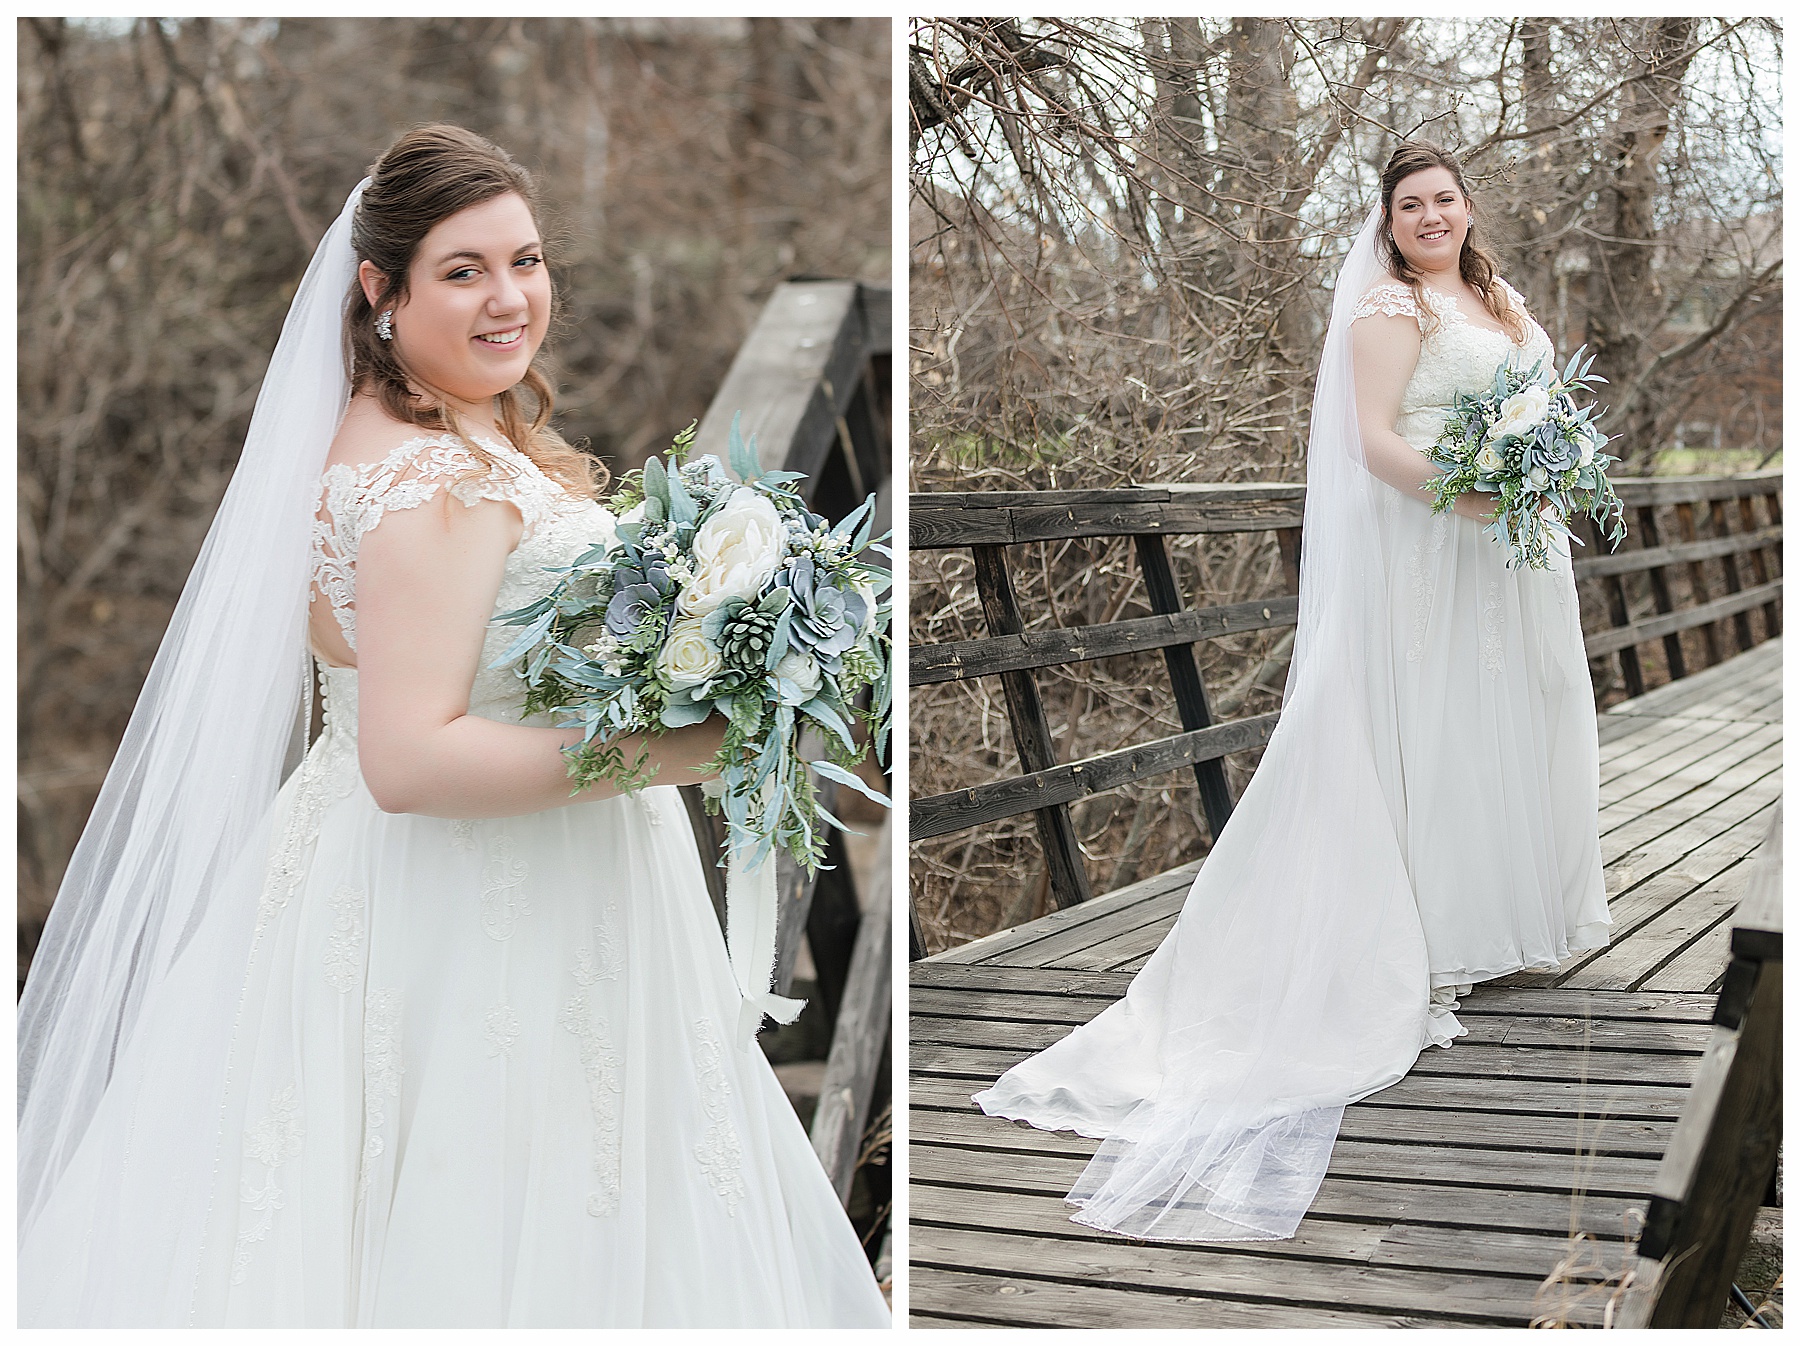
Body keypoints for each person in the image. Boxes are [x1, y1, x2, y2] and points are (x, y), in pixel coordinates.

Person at [18, 124, 890, 1328]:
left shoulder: (448, 435)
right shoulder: (428, 482)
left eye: (525, 261)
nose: (509, 298)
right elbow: (410, 756)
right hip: (472, 908)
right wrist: (687, 747)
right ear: (381, 289)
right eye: (464, 270)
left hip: (476, 875)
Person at [972, 141, 1609, 1243]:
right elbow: (1372, 443)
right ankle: (1424, 942)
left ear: (1467, 207)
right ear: (1389, 217)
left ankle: (1508, 915)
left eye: (1443, 200)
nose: (1429, 217)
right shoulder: (1386, 304)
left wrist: (1534, 483)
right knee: (1437, 735)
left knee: (1514, 724)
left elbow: (1541, 412)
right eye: (1410, 204)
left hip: (1513, 556)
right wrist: (1473, 495)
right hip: (1439, 551)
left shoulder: (1499, 297)